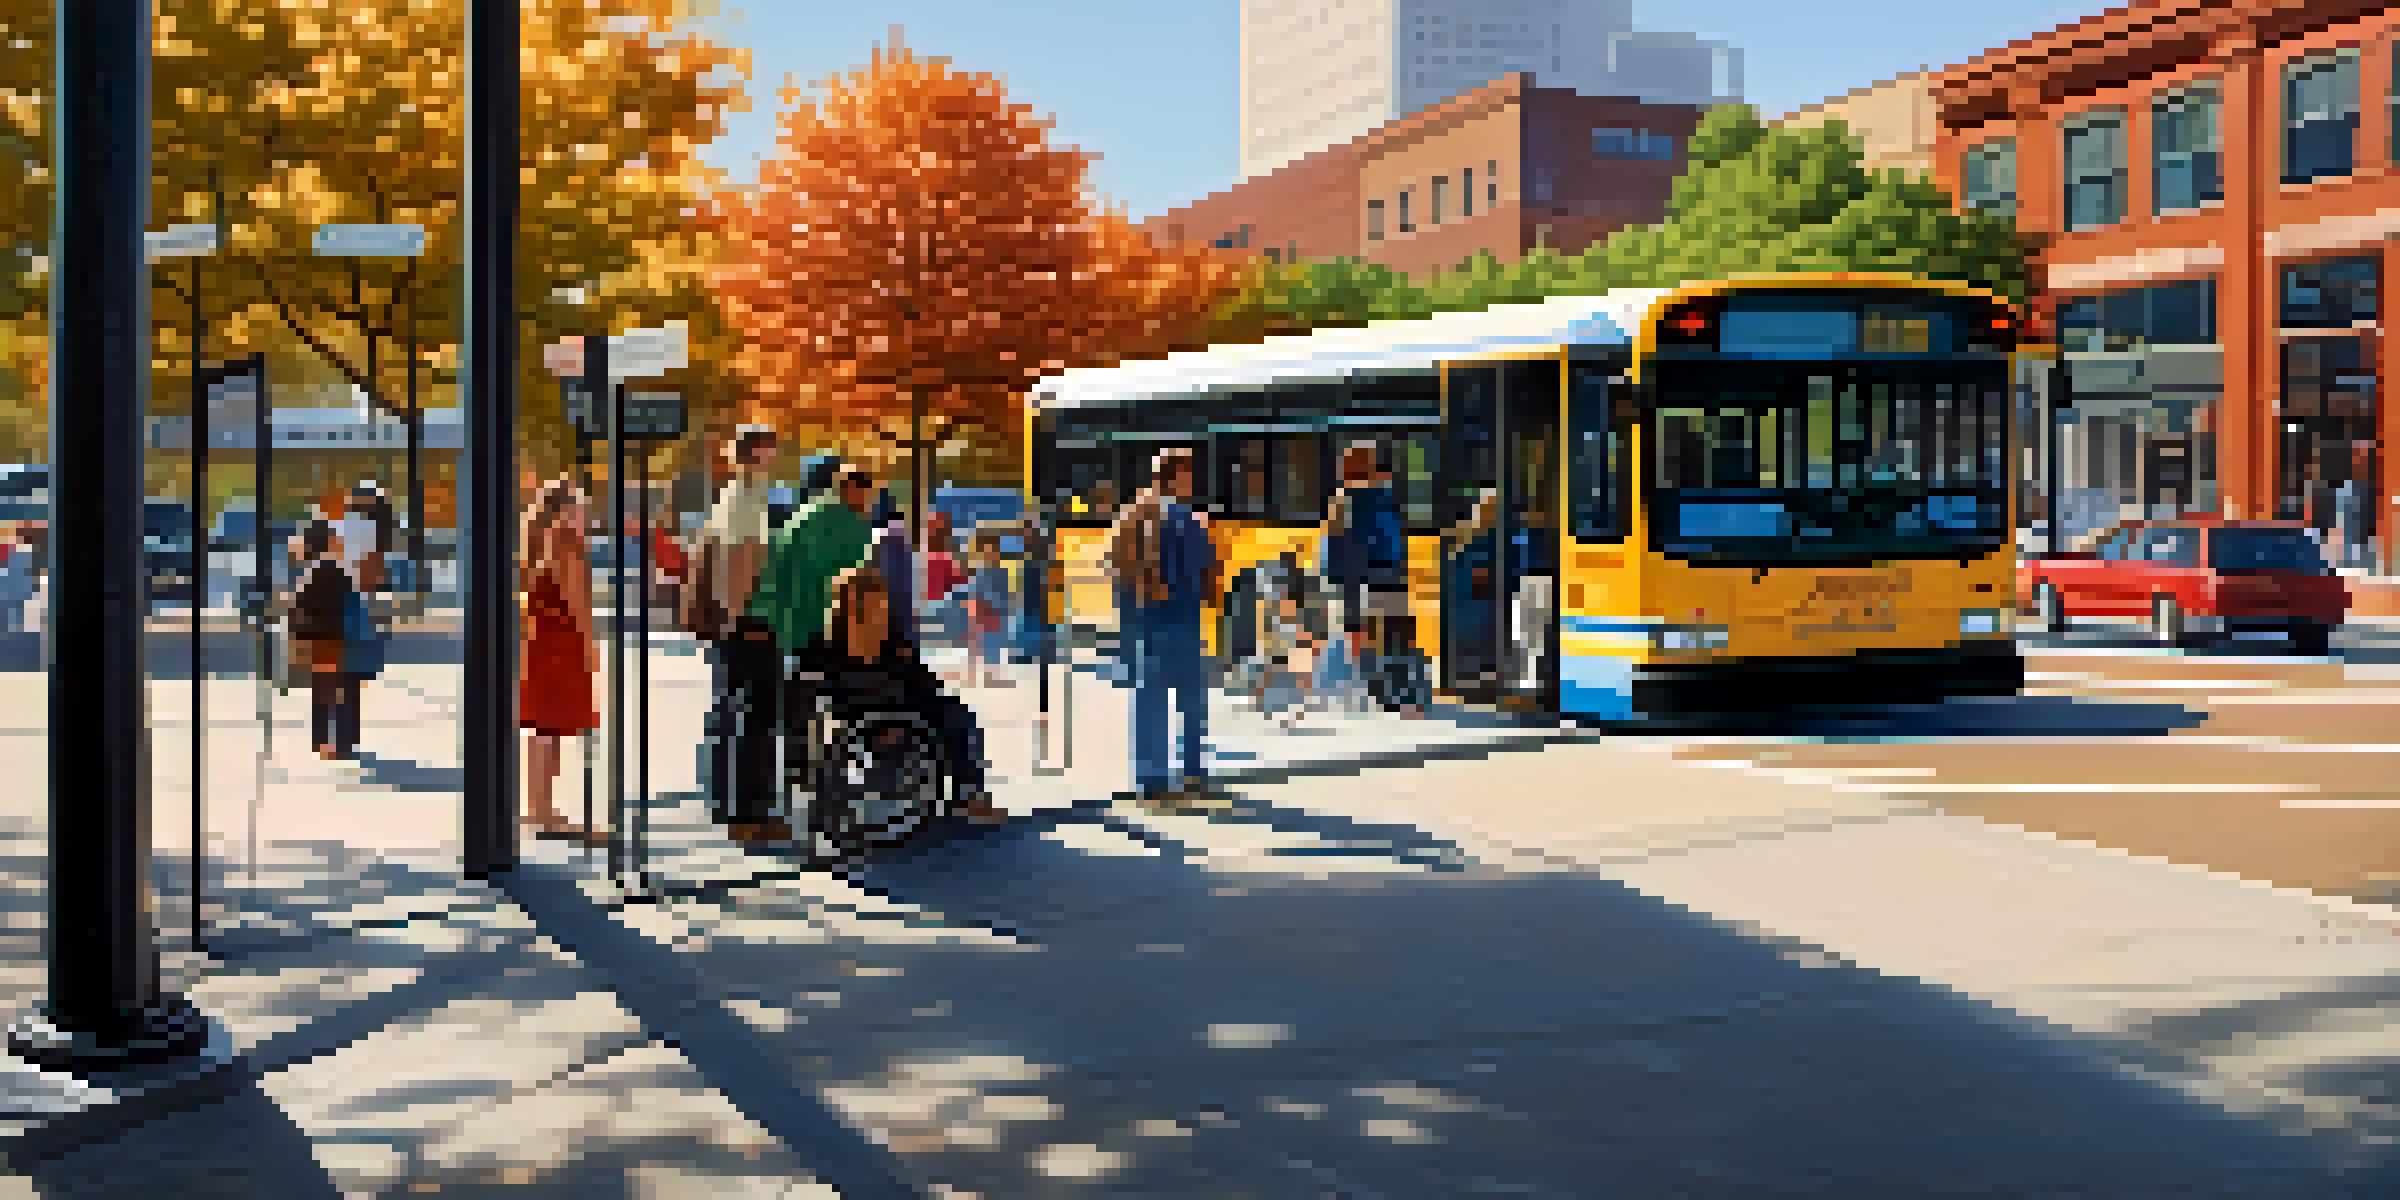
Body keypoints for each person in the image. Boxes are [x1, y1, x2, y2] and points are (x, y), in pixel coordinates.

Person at [735, 462, 878, 842]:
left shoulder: (807, 514)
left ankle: (795, 773)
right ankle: (810, 782)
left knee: (781, 708)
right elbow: (847, 582)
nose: (870, 501)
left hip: (779, 623)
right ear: (854, 490)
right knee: (830, 697)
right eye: (867, 492)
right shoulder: (846, 522)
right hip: (813, 625)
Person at [818, 563, 1006, 826]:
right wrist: (876, 725)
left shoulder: (894, 643)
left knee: (958, 717)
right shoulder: (829, 649)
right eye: (871, 603)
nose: (879, 610)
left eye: (880, 603)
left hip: (909, 719)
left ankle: (968, 797)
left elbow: (927, 686)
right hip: (863, 730)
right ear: (850, 605)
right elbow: (831, 702)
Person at [1108, 447, 1218, 807]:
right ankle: (1183, 777)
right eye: (1187, 473)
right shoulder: (1171, 516)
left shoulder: (1144, 514)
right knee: (1182, 701)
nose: (1192, 481)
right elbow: (1205, 566)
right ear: (1174, 476)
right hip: (1169, 618)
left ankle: (1161, 779)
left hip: (1161, 619)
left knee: (1160, 701)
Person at [687, 425, 780, 834]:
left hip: (735, 621)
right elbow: (742, 559)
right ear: (755, 454)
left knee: (730, 712)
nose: (772, 457)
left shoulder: (730, 496)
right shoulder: (747, 498)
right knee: (754, 717)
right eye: (768, 450)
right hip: (749, 621)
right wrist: (741, 617)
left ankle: (728, 806)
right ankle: (749, 815)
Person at [518, 479, 604, 843]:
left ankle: (539, 808)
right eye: (580, 506)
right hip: (560, 644)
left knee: (543, 729)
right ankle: (544, 813)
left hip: (540, 641)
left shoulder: (537, 541)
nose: (585, 513)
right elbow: (577, 602)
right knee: (550, 729)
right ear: (565, 509)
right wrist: (591, 647)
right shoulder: (565, 540)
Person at [286, 521, 360, 761]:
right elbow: (353, 607)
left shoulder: (308, 575)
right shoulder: (341, 572)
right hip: (340, 639)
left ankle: (320, 740)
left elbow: (298, 611)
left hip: (318, 641)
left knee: (321, 689)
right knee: (344, 690)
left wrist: (296, 639)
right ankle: (344, 742)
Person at [1443, 489, 1501, 696]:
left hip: (1480, 603)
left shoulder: (1494, 536)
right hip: (1471, 603)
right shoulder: (1467, 534)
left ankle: (1477, 677)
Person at [964, 528, 1011, 688]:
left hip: (996, 613)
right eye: (986, 548)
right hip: (983, 611)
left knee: (994, 645)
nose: (990, 552)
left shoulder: (1001, 571)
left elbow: (1005, 593)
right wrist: (973, 612)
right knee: (978, 644)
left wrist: (1005, 610)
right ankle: (974, 675)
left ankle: (991, 675)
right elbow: (974, 592)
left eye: (992, 548)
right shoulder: (978, 571)